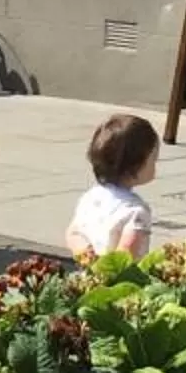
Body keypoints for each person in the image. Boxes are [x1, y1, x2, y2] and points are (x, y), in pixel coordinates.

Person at [65, 112, 160, 263]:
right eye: (153, 159)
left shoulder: (90, 197)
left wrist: (89, 258)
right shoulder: (135, 212)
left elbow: (73, 234)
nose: (156, 164)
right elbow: (126, 255)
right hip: (121, 278)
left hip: (89, 274)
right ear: (136, 165)